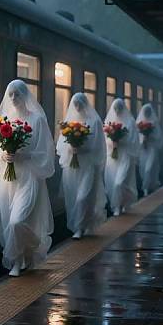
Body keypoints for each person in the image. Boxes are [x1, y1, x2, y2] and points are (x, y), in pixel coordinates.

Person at [0, 80, 55, 277]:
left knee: (17, 221)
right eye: (10, 94)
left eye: (17, 94)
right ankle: (21, 256)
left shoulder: (37, 120)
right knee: (10, 221)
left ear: (25, 95)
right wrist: (3, 155)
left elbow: (46, 152)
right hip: (8, 179)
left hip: (29, 178)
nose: (13, 98)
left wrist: (24, 156)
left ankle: (28, 249)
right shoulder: (3, 121)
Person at [56, 93, 107, 239]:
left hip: (89, 166)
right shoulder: (69, 123)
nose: (77, 107)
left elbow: (99, 146)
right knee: (73, 197)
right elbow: (61, 145)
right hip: (73, 167)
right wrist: (70, 149)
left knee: (83, 197)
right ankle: (80, 226)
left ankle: (80, 226)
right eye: (75, 104)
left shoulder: (95, 121)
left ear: (85, 104)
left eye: (80, 104)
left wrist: (83, 149)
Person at [104, 98, 140, 216]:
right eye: (115, 108)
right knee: (113, 182)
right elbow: (104, 140)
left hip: (126, 156)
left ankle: (119, 205)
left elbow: (134, 140)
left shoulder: (130, 121)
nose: (117, 110)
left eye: (119, 108)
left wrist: (120, 141)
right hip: (113, 157)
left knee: (120, 182)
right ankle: (120, 204)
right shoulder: (109, 121)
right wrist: (112, 143)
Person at [136, 103, 163, 196]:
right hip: (143, 149)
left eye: (148, 111)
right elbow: (136, 136)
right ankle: (147, 184)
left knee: (149, 167)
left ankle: (145, 188)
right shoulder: (139, 122)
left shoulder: (154, 122)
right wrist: (142, 139)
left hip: (152, 148)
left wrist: (149, 137)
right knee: (143, 168)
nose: (147, 113)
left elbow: (158, 136)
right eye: (145, 111)